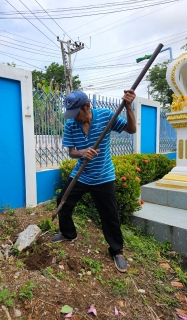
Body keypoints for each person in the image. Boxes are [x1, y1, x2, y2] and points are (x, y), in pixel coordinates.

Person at [51, 90, 136, 272]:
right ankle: (68, 233)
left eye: (76, 114)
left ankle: (117, 251)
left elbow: (131, 129)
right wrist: (82, 152)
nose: (74, 118)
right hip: (81, 174)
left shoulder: (105, 115)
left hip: (103, 176)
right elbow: (72, 152)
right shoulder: (71, 125)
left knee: (109, 214)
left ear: (87, 106)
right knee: (63, 202)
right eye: (71, 115)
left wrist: (128, 107)